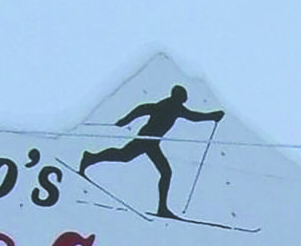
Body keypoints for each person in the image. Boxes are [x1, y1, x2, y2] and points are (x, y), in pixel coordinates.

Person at [77, 83, 221, 219]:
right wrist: (125, 120)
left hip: (151, 141)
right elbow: (146, 109)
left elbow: (144, 108)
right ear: (179, 97)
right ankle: (162, 208)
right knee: (149, 166)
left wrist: (126, 120)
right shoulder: (171, 106)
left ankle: (90, 158)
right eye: (184, 96)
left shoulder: (172, 106)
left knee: (126, 156)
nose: (185, 99)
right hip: (146, 140)